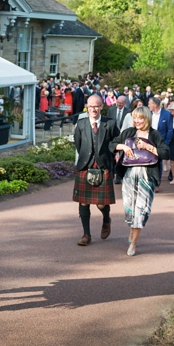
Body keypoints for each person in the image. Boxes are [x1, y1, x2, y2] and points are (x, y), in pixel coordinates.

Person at [111, 106, 170, 256]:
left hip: (146, 175)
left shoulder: (154, 134)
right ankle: (132, 230)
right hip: (129, 175)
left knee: (141, 210)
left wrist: (148, 147)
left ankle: (134, 243)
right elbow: (111, 145)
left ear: (147, 119)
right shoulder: (129, 132)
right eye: (135, 118)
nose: (137, 121)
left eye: (140, 118)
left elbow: (165, 153)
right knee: (129, 210)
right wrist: (123, 146)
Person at [72, 94, 119, 246]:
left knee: (101, 204)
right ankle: (86, 234)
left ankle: (106, 218)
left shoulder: (110, 124)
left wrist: (110, 160)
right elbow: (79, 145)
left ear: (102, 107)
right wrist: (87, 158)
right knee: (84, 202)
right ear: (87, 107)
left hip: (103, 166)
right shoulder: (81, 124)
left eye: (97, 106)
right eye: (91, 106)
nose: (93, 109)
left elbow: (115, 143)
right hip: (85, 166)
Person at [148, 97, 173, 187]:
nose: (148, 105)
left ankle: (157, 183)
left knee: (158, 162)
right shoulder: (148, 114)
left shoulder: (167, 114)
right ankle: (149, 181)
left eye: (150, 103)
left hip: (160, 143)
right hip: (148, 141)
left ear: (155, 105)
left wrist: (166, 143)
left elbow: (170, 130)